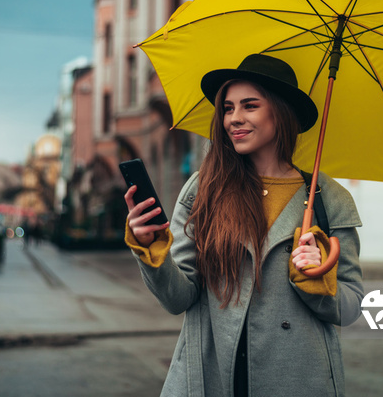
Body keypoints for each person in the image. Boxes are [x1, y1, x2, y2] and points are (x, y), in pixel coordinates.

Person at [124, 53, 364, 397]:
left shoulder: (329, 199)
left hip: (298, 378)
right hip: (213, 375)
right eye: (228, 108)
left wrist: (317, 280)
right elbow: (178, 297)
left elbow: (351, 306)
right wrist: (151, 247)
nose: (233, 119)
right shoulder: (203, 190)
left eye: (249, 106)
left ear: (281, 113)